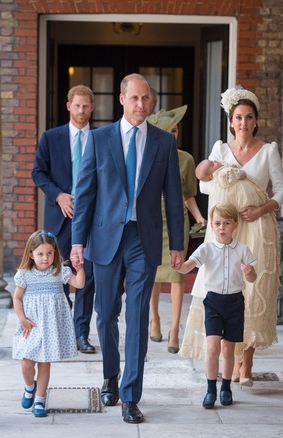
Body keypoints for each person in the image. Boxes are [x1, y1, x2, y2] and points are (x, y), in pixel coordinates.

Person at [70, 73, 185, 424]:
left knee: (136, 317)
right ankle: (110, 377)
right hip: (104, 239)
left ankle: (131, 395)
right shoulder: (100, 138)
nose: (141, 105)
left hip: (143, 239)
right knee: (105, 314)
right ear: (121, 99)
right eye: (134, 98)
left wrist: (178, 244)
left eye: (146, 98)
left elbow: (174, 198)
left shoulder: (164, 143)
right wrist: (77, 241)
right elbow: (85, 191)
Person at [180, 86, 283, 389]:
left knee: (252, 294)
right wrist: (220, 175)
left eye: (249, 117)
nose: (243, 122)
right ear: (231, 121)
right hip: (226, 230)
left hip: (257, 229)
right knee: (224, 290)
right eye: (238, 117)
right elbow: (203, 185)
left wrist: (261, 207)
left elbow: (281, 192)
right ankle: (230, 355)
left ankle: (247, 361)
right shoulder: (220, 149)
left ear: (255, 121)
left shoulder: (268, 151)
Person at [31, 85, 97, 354]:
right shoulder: (51, 137)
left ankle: (81, 333)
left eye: (86, 106)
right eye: (77, 105)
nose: (81, 111)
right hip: (60, 218)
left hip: (92, 219)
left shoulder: (101, 138)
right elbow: (38, 173)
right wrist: (58, 196)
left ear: (92, 108)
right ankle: (61, 328)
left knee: (86, 274)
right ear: (68, 106)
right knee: (57, 274)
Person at [175, 203, 256, 408]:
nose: (222, 228)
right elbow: (188, 267)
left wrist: (249, 272)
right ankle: (211, 389)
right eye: (218, 223)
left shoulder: (242, 249)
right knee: (212, 347)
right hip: (213, 301)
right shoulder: (207, 248)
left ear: (235, 225)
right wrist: (179, 265)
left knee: (228, 349)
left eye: (226, 223)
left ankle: (226, 387)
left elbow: (253, 277)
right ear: (211, 225)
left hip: (235, 302)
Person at [146, 104, 207, 354]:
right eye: (167, 131)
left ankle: (174, 330)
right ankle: (155, 320)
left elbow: (189, 195)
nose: (173, 134)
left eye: (175, 130)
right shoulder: (147, 156)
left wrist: (200, 218)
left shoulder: (187, 159)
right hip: (152, 221)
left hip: (176, 222)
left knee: (177, 274)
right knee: (152, 274)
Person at [13, 230, 84, 418]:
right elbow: (17, 298)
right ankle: (30, 387)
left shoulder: (59, 270)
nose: (46, 258)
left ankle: (40, 399)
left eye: (50, 253)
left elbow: (79, 284)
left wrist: (80, 268)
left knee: (44, 364)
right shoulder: (25, 274)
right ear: (31, 255)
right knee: (27, 362)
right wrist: (22, 319)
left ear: (55, 253)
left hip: (51, 325)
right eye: (40, 254)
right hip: (32, 324)